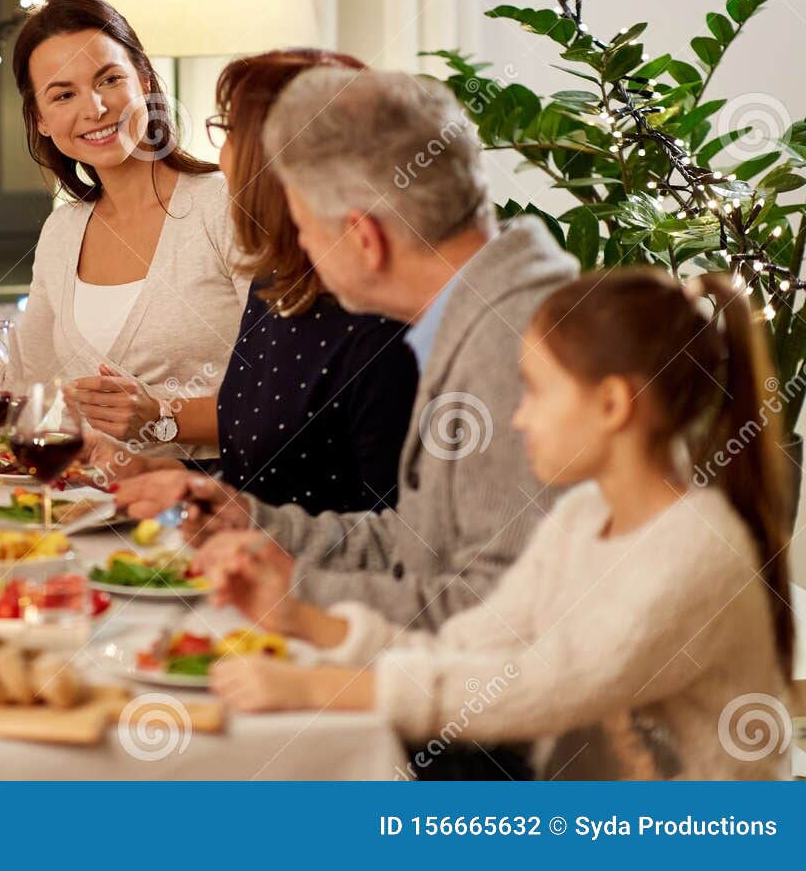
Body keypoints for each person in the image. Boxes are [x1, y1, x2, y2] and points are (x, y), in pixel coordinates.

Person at [200, 269, 795, 781]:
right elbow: (470, 649)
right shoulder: (583, 517)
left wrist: (314, 688)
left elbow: (532, 687)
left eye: (535, 391)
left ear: (614, 404)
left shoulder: (692, 552)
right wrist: (304, 619)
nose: (517, 417)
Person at [116, 67, 578, 629]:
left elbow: (499, 612)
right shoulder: (468, 314)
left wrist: (298, 592)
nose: (298, 245)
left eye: (304, 225)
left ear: (364, 238)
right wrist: (255, 524)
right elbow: (419, 545)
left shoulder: (511, 351)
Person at [0, 0, 248, 462]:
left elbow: (300, 397)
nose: (95, 108)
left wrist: (164, 417)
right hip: (98, 510)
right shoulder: (64, 232)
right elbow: (14, 394)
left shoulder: (227, 205)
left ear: (143, 80)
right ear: (40, 119)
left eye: (110, 79)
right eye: (64, 94)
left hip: (222, 502)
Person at [90, 49, 417, 509]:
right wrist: (164, 472)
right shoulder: (274, 287)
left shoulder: (380, 325)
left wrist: (249, 535)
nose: (221, 157)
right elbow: (260, 472)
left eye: (229, 130)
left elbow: (401, 544)